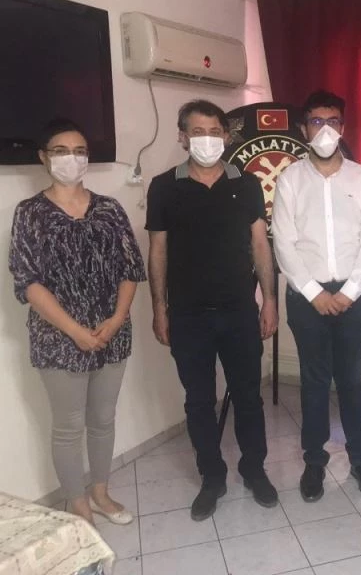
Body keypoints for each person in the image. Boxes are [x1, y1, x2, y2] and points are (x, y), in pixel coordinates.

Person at [145, 100, 279, 521]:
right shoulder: (164, 187)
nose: (207, 139)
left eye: (215, 131)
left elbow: (260, 244)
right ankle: (212, 476)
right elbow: (158, 250)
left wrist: (270, 300)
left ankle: (254, 469)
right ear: (182, 137)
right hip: (188, 315)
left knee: (248, 397)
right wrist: (159, 308)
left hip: (239, 310)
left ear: (226, 135)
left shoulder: (247, 183)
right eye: (197, 131)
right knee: (199, 401)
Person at [9, 119, 146, 525]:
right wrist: (74, 331)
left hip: (111, 333)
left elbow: (130, 268)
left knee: (103, 420)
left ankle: (100, 493)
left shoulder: (109, 209)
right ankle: (77, 503)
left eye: (80, 151)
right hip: (58, 338)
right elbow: (28, 282)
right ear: (44, 157)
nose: (72, 158)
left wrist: (117, 319)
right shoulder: (30, 213)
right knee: (68, 427)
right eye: (61, 151)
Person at [272, 90, 361, 502]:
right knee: (314, 381)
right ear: (304, 129)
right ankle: (315, 461)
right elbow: (283, 242)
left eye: (332, 121)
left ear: (343, 127)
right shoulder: (290, 179)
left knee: (352, 380)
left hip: (354, 295)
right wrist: (314, 293)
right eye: (316, 122)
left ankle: (360, 460)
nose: (324, 129)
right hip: (307, 297)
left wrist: (350, 292)